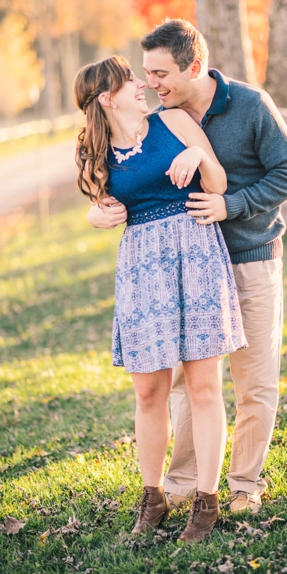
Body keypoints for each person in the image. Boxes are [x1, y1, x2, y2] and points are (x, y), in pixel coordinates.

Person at [87, 20, 287, 515]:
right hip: (187, 268)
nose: (151, 83)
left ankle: (245, 483)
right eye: (146, 73)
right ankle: (182, 480)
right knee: (188, 383)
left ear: (195, 67)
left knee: (254, 380)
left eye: (161, 73)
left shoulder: (249, 105)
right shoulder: (161, 119)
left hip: (248, 254)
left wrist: (235, 206)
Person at [74, 56, 247, 542]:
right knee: (150, 391)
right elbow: (95, 203)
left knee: (204, 386)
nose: (140, 85)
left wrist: (200, 158)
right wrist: (94, 217)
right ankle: (152, 499)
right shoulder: (98, 149)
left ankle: (206, 503)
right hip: (142, 268)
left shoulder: (172, 122)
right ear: (106, 98)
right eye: (128, 81)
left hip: (195, 252)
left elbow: (218, 184)